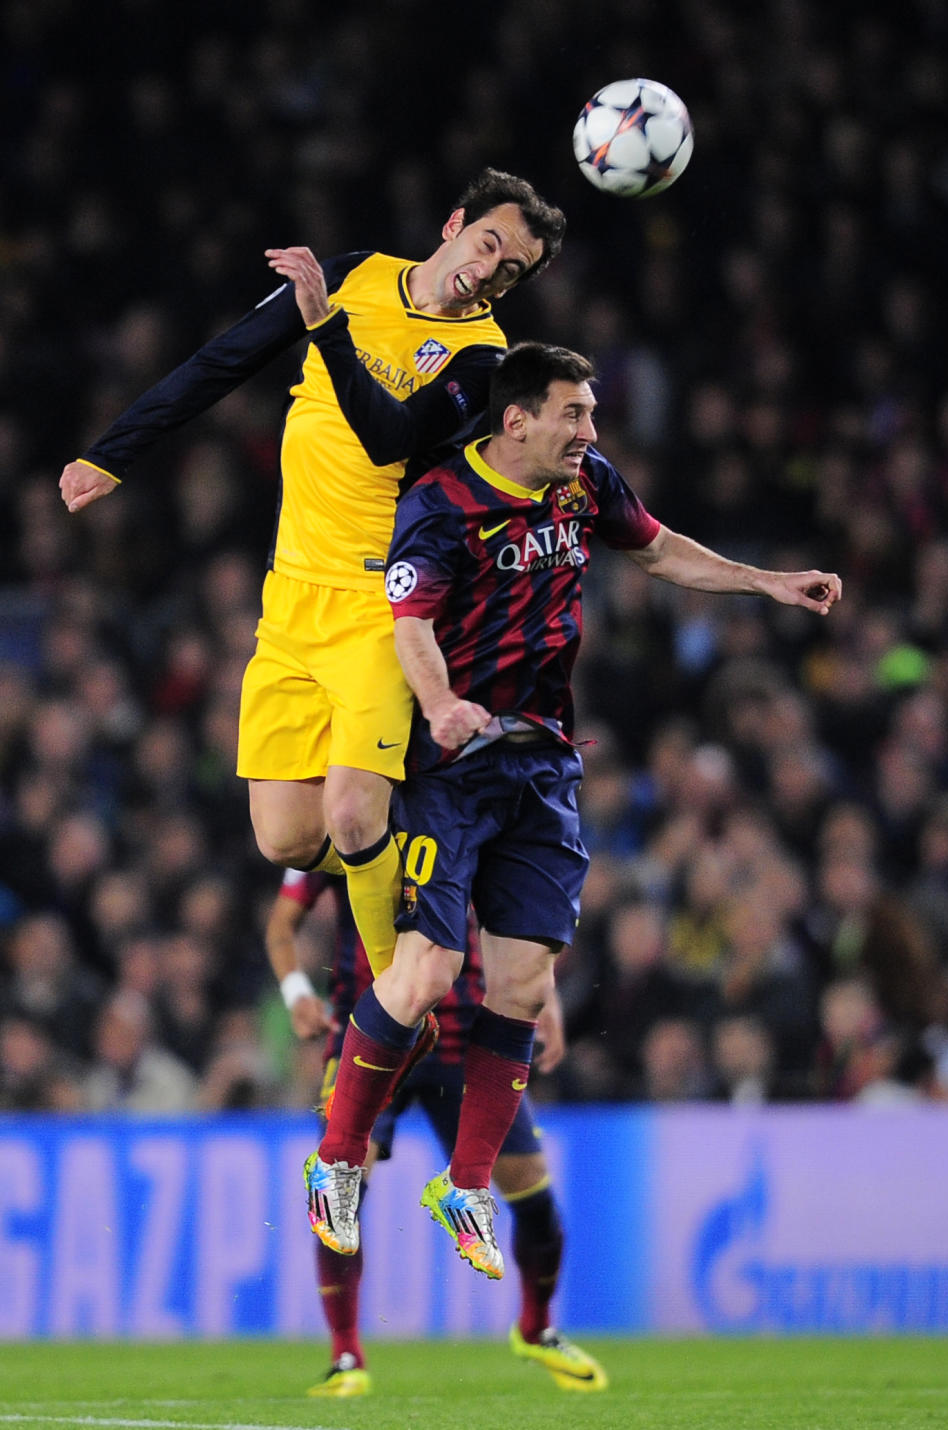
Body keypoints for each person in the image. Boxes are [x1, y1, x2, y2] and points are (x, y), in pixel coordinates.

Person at [306, 340, 842, 1277]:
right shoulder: (440, 503)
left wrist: (767, 582)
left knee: (520, 988)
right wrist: (439, 708)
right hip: (453, 768)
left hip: (544, 764)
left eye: (592, 415)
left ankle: (464, 1186)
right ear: (517, 419)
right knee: (428, 974)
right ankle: (337, 1161)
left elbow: (662, 549)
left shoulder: (584, 482)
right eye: (575, 414)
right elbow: (411, 626)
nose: (591, 431)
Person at [58, 170, 566, 997]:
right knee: (286, 840)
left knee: (353, 816)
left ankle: (401, 997)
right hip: (291, 595)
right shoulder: (357, 273)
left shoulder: (486, 359)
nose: (491, 268)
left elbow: (387, 439)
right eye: (488, 243)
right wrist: (113, 452)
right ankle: (430, 861)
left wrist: (327, 328)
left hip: (383, 604)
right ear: (453, 225)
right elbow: (223, 360)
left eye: (512, 269)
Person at [267, 868, 608, 1395]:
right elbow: (282, 924)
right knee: (341, 1186)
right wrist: (295, 994)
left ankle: (536, 1328)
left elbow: (517, 924)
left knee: (532, 1190)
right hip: (373, 1037)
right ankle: (346, 1356)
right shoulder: (356, 816)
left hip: (467, 1042)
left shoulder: (473, 820)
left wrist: (548, 999)